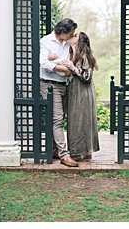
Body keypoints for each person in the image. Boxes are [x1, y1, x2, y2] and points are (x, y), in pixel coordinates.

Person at [39, 17, 79, 167]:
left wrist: (64, 67)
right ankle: (64, 155)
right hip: (50, 86)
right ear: (62, 31)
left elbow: (69, 61)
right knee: (57, 119)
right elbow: (44, 63)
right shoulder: (46, 41)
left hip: (64, 84)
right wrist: (64, 69)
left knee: (58, 119)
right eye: (70, 33)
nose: (72, 35)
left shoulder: (67, 43)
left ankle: (54, 150)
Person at [64, 32, 100, 162]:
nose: (71, 36)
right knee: (77, 120)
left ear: (80, 42)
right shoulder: (72, 54)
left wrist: (73, 68)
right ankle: (81, 151)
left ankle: (82, 151)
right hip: (75, 90)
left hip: (83, 92)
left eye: (75, 36)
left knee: (82, 120)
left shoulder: (85, 56)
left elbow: (87, 77)